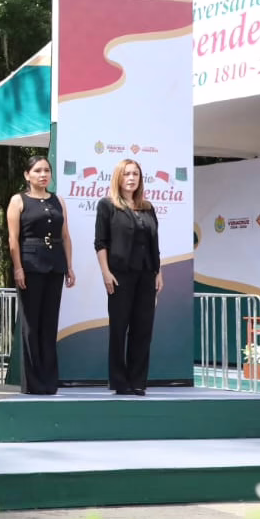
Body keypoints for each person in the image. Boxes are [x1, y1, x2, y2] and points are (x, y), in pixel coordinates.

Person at [6, 156, 75, 395]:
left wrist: (69, 266)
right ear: (27, 175)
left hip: (54, 263)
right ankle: (32, 382)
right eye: (37, 170)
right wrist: (17, 267)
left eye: (47, 170)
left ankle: (49, 380)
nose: (43, 174)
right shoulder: (18, 200)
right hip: (30, 263)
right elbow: (13, 239)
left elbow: (65, 236)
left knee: (49, 323)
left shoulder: (58, 201)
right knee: (31, 324)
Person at [95, 159, 162, 396]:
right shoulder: (107, 205)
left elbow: (154, 244)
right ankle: (119, 381)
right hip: (119, 275)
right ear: (118, 178)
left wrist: (158, 272)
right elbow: (101, 243)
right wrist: (106, 273)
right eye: (127, 174)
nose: (131, 178)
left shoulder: (147, 207)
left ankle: (138, 381)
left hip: (147, 275)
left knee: (143, 329)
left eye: (135, 174)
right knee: (119, 328)